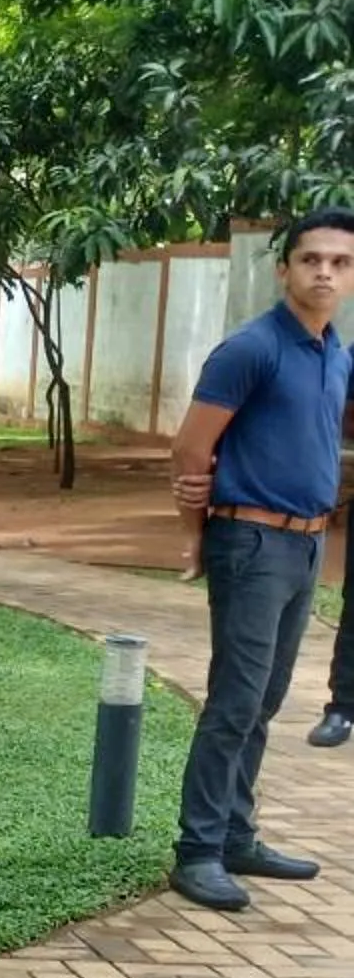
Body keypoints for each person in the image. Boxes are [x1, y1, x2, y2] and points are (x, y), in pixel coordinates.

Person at [168, 208, 354, 911]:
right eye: (312, 259)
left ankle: (238, 835)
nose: (325, 272)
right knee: (235, 700)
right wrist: (192, 538)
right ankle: (199, 850)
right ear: (285, 269)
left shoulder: (336, 352)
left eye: (340, 262)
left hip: (305, 543)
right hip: (250, 541)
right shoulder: (252, 349)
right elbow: (191, 451)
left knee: (267, 700)